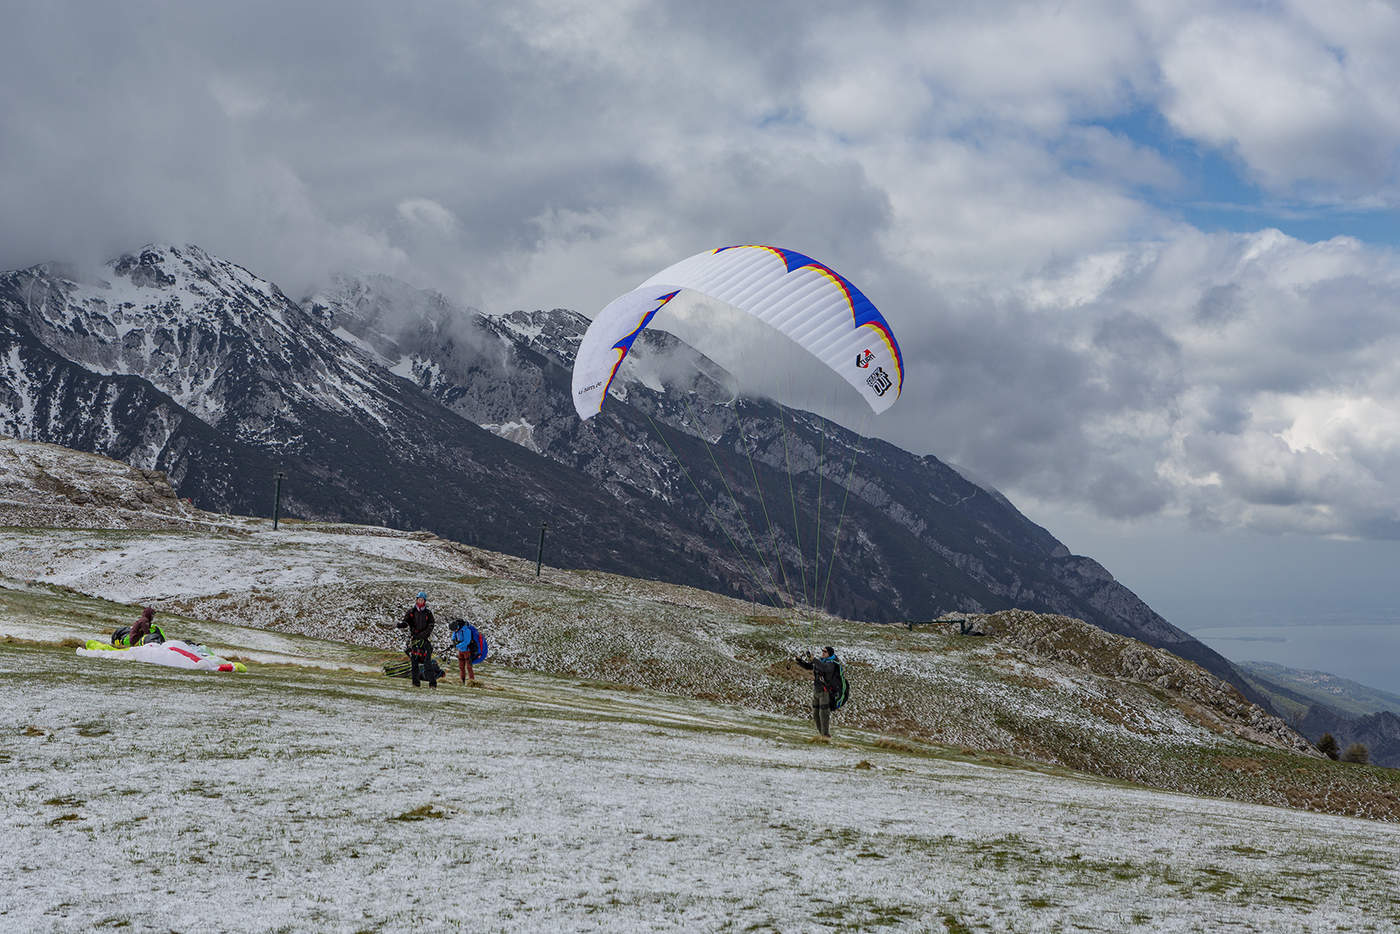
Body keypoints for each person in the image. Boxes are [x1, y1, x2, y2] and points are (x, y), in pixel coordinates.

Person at [794, 646, 840, 738]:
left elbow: (824, 668)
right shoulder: (821, 661)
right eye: (822, 651)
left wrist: (814, 659)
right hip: (817, 690)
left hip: (825, 692)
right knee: (815, 714)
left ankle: (826, 735)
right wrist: (800, 661)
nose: (823, 653)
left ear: (829, 654)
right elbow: (809, 667)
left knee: (823, 714)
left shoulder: (832, 663)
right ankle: (821, 734)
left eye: (825, 652)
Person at [397, 591, 437, 688]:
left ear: (424, 601)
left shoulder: (428, 613)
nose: (420, 601)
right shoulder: (411, 612)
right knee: (414, 664)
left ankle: (432, 684)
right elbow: (406, 622)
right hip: (414, 641)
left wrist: (423, 635)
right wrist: (401, 625)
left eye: (422, 600)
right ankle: (415, 684)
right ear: (416, 600)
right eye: (419, 599)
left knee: (428, 664)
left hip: (424, 641)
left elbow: (431, 625)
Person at [448, 618, 482, 685]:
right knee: (461, 667)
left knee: (469, 667)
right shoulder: (456, 629)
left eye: (455, 630)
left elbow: (467, 641)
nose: (455, 631)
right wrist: (453, 642)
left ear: (457, 626)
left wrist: (457, 646)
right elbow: (453, 637)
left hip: (467, 651)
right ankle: (462, 681)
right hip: (461, 651)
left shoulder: (466, 630)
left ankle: (472, 682)